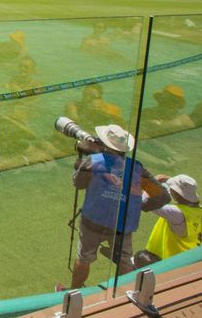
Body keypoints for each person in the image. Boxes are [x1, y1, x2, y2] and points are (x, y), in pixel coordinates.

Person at [67, 123, 167, 289]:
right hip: (121, 225)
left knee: (84, 257)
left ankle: (73, 292)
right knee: (125, 263)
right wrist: (140, 204)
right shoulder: (137, 169)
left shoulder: (94, 161)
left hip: (93, 221)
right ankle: (125, 294)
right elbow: (162, 196)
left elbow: (78, 183)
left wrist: (80, 163)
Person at [133, 174, 202, 268]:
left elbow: (145, 202)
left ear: (178, 193)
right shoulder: (198, 210)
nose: (170, 190)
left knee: (139, 259)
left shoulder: (177, 213)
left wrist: (152, 182)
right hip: (190, 258)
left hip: (175, 264)